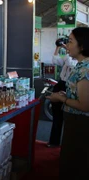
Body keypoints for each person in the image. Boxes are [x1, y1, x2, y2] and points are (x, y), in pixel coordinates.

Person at [46, 27, 89, 180]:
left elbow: (85, 105)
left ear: (82, 46)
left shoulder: (85, 69)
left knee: (75, 163)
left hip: (80, 123)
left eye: (70, 42)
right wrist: (67, 94)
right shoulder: (81, 65)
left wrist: (61, 99)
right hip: (74, 121)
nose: (67, 45)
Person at [47, 42, 77, 147]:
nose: (68, 44)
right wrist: (58, 47)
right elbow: (55, 60)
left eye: (71, 42)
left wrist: (67, 48)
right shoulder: (68, 56)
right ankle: (54, 142)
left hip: (71, 86)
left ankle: (68, 145)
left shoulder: (81, 62)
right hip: (61, 83)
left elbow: (69, 63)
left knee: (70, 117)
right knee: (57, 115)